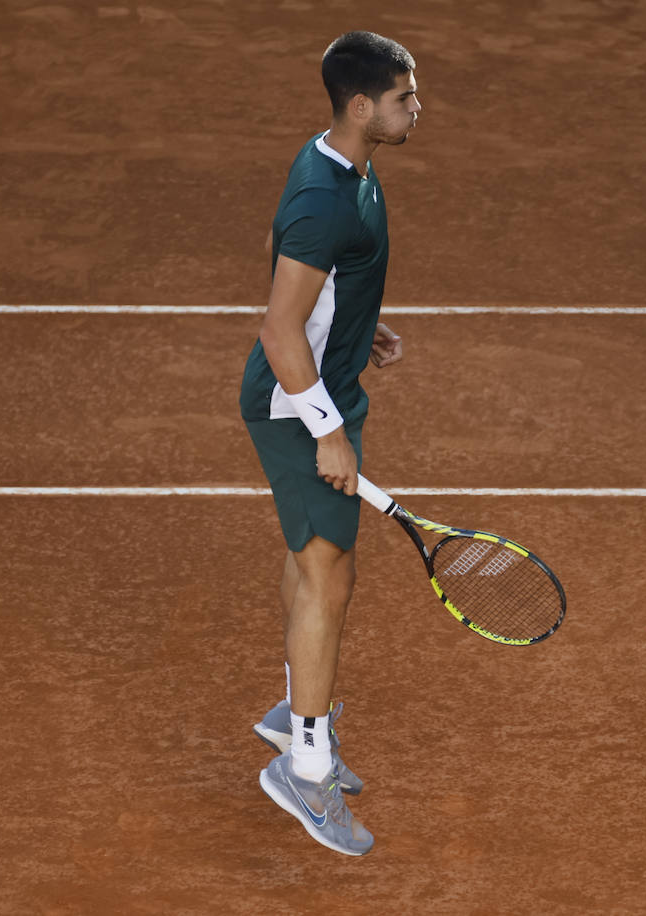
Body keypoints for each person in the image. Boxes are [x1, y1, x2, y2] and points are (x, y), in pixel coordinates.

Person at [239, 30, 421, 857]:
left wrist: (353, 321)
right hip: (297, 401)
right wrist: (329, 433)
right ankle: (304, 767)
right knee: (329, 571)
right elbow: (279, 328)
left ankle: (292, 713)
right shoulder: (327, 196)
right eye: (404, 98)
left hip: (325, 380)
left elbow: (291, 265)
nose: (416, 108)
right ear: (361, 106)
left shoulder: (342, 166)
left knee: (314, 556)